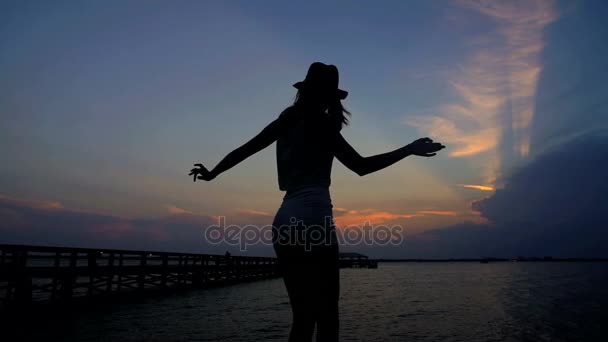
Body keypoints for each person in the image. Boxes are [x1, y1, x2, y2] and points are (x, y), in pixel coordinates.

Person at [189, 62, 445, 342]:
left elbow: (247, 148)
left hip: (284, 220)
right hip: (313, 218)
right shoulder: (323, 125)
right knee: (327, 319)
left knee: (301, 318)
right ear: (331, 96)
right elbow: (361, 166)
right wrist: (408, 150)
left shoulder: (286, 119)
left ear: (304, 91)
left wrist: (213, 172)